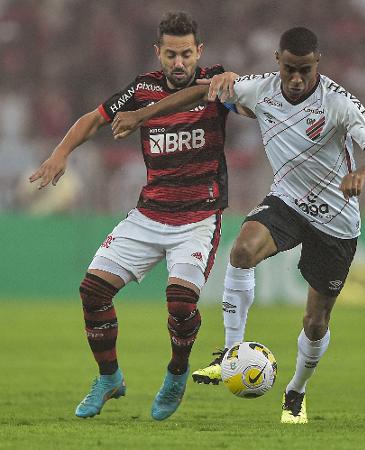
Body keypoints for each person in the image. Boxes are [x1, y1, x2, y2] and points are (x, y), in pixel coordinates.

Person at [111, 27, 365, 424]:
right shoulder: (260, 89)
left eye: (305, 70)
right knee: (242, 250)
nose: (297, 79)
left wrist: (363, 175)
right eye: (290, 70)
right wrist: (142, 114)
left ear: (317, 64)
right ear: (277, 61)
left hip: (336, 221)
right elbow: (200, 91)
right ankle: (232, 354)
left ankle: (296, 389)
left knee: (315, 322)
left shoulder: (339, 104)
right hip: (288, 203)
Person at [29, 11, 237, 421]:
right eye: (172, 55)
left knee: (180, 303)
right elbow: (94, 119)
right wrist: (61, 152)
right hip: (149, 213)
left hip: (197, 217)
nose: (179, 63)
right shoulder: (142, 88)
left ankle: (177, 372)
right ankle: (109, 378)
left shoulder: (215, 82)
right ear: (158, 53)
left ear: (200, 52)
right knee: (92, 291)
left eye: (187, 54)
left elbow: (230, 95)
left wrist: (229, 82)